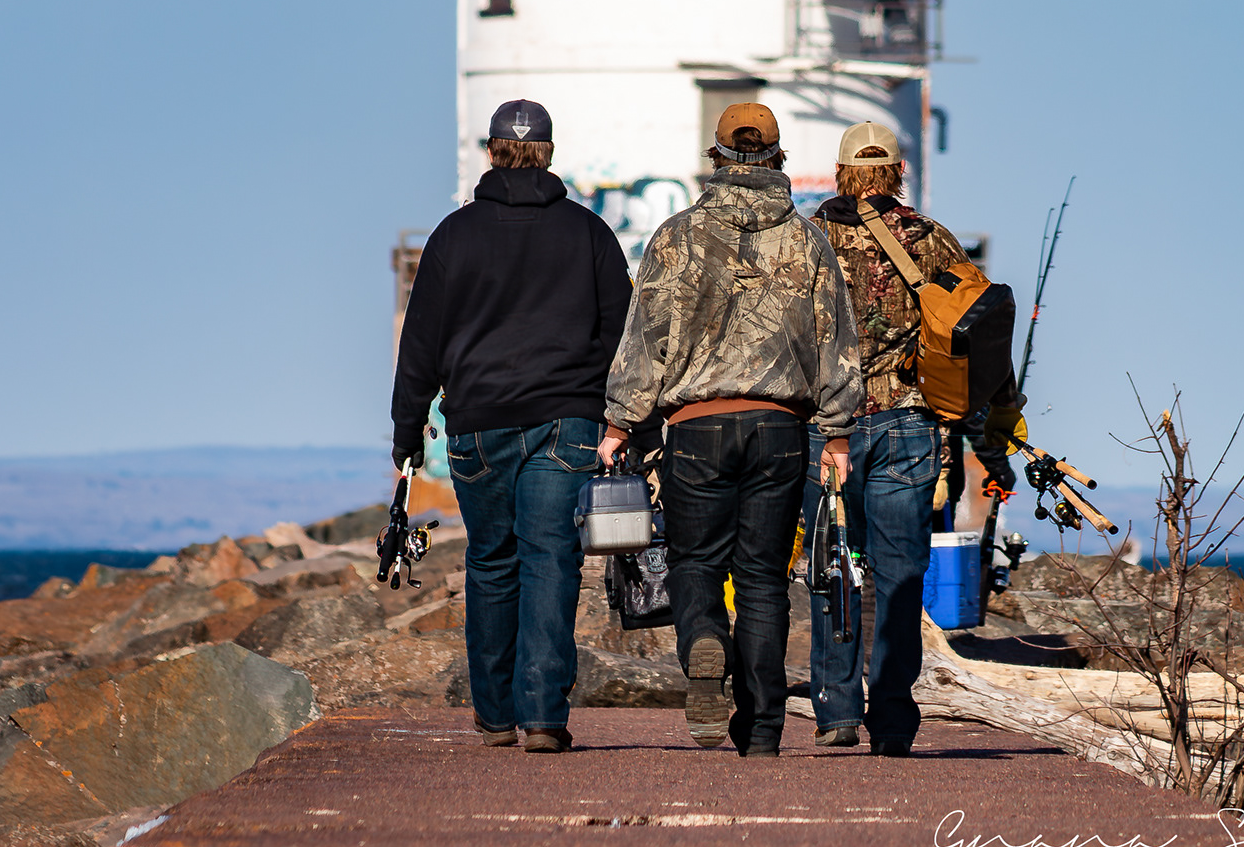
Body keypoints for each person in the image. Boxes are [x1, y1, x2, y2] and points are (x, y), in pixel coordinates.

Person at [599, 100, 862, 757]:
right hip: (779, 430)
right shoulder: (808, 241)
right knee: (763, 579)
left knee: (695, 562)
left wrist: (620, 422)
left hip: (696, 427)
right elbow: (836, 344)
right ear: (778, 157)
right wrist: (835, 433)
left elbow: (644, 340)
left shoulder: (676, 237)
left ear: (715, 156)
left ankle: (703, 645)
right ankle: (763, 727)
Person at [392, 98, 632, 754]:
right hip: (567, 421)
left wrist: (407, 434)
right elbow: (622, 337)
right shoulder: (589, 233)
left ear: (492, 151)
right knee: (550, 558)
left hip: (479, 423)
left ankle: (496, 714)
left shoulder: (452, 236)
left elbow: (420, 346)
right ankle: (544, 715)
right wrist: (629, 424)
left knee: (492, 561)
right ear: (548, 153)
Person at [803, 120, 1017, 756]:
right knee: (899, 574)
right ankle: (893, 717)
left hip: (827, 428)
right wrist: (995, 437)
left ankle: (837, 710)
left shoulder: (806, 240)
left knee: (833, 566)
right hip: (910, 421)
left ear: (841, 173)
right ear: (899, 172)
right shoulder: (931, 239)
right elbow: (981, 335)